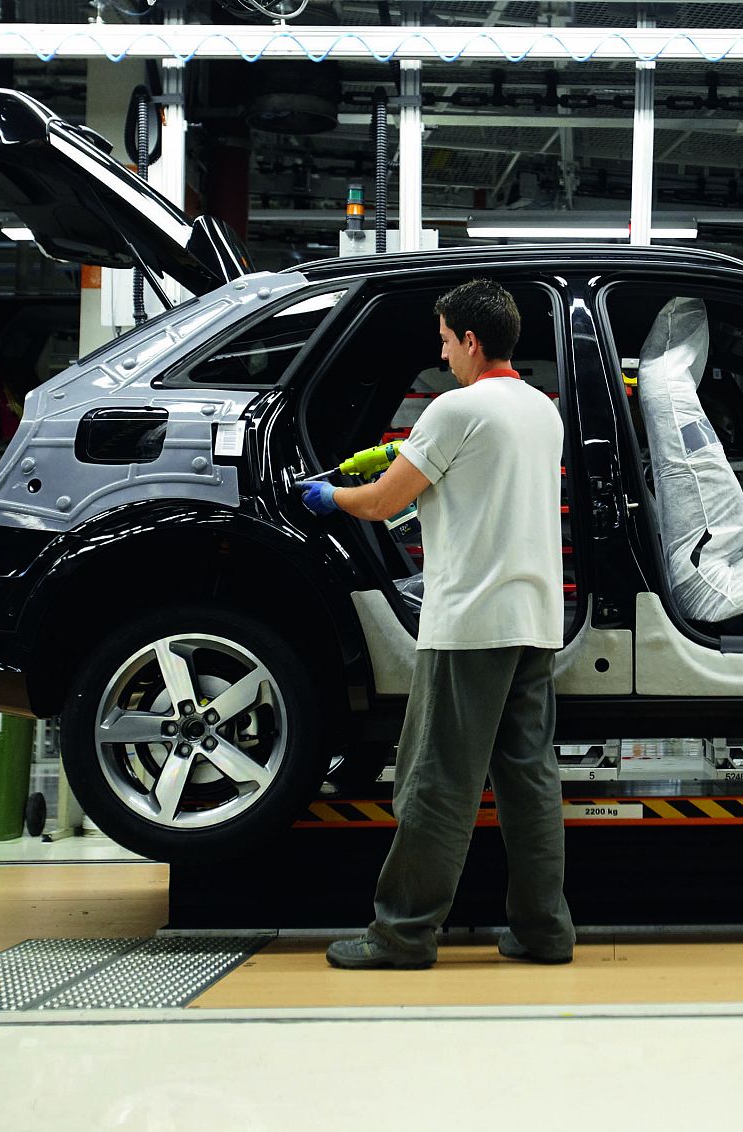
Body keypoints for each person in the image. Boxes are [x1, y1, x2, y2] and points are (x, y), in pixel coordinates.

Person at [299, 278, 575, 969]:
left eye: (447, 340)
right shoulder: (542, 411)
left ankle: (401, 935)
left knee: (436, 783)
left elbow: (381, 503)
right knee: (529, 783)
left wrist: (329, 495)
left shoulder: (455, 409)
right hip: (534, 620)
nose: (443, 352)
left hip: (470, 624)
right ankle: (545, 932)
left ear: (472, 341)